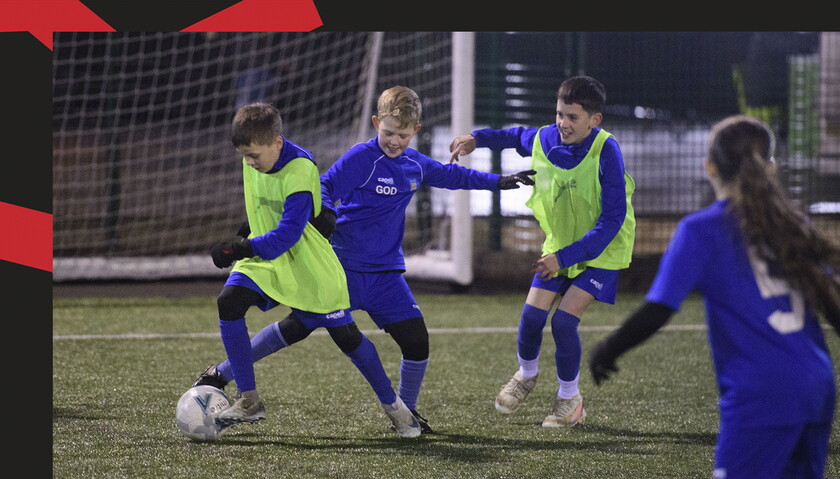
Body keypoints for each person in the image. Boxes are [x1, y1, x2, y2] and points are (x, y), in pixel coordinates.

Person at [588, 114, 840, 479]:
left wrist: (609, 348)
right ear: (769, 167)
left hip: (762, 392)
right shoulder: (789, 224)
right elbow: (839, 310)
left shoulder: (701, 230)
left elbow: (659, 309)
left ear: (710, 168)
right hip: (816, 385)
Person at [197, 87, 535, 434]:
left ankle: (407, 412)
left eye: (402, 135)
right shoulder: (362, 158)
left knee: (416, 341)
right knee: (296, 328)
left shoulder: (413, 165)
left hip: (385, 276)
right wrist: (326, 211)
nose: (394, 141)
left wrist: (499, 182)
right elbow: (324, 185)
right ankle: (222, 373)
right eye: (388, 132)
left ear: (415, 131)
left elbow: (454, 176)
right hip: (341, 268)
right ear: (376, 123)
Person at [197, 102, 422, 438]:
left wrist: (241, 247)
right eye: (244, 156)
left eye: (254, 156)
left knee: (347, 338)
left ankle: (395, 407)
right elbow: (267, 202)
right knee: (229, 302)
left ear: (276, 143)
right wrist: (249, 230)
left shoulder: (301, 169)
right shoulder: (256, 157)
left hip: (305, 262)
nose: (249, 163)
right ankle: (249, 400)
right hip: (266, 257)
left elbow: (287, 236)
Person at [449, 75, 636, 428]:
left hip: (600, 252)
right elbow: (513, 135)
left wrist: (563, 259)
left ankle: (570, 401)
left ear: (595, 120)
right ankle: (526, 375)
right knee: (532, 318)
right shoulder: (546, 138)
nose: (563, 123)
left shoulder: (606, 151)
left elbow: (611, 222)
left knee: (564, 322)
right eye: (559, 114)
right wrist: (478, 138)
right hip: (560, 245)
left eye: (572, 117)